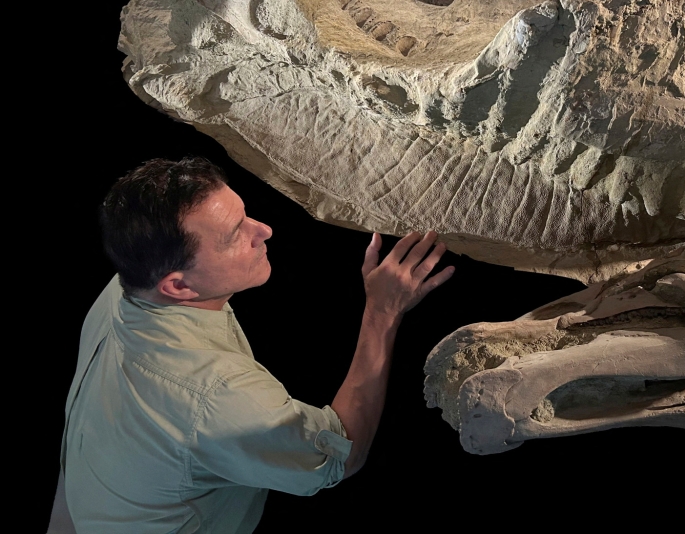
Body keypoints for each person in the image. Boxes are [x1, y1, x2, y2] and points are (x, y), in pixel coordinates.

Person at [47, 157, 454, 533]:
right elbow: (342, 454)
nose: (263, 231)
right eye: (233, 235)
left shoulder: (122, 290)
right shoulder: (216, 399)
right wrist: (382, 312)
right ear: (178, 285)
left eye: (244, 215)